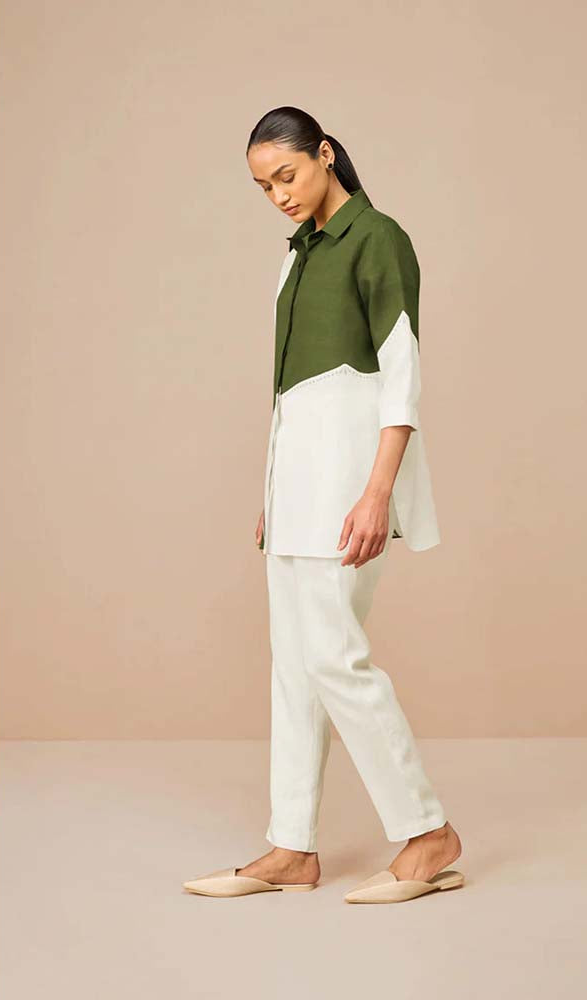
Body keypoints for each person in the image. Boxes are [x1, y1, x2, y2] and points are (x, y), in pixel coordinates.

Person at [183, 107, 464, 903]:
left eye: (288, 174)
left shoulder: (378, 238)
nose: (278, 194)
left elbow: (401, 378)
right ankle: (292, 847)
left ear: (325, 154)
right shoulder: (296, 257)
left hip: (349, 487)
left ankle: (427, 833)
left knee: (334, 657)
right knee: (294, 669)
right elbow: (290, 398)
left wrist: (378, 493)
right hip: (295, 493)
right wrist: (272, 494)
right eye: (263, 185)